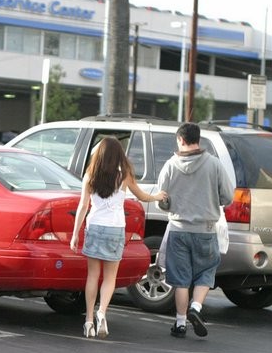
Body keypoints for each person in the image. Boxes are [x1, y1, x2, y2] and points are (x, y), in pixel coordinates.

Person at [71, 136, 166, 339]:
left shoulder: (90, 175)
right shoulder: (124, 176)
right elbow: (141, 196)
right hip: (115, 229)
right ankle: (102, 312)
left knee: (93, 276)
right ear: (119, 155)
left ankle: (88, 320)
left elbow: (82, 206)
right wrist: (157, 196)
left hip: (94, 226)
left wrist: (74, 234)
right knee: (110, 277)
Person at [156, 122, 235, 338]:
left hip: (178, 230)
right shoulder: (214, 165)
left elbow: (161, 202)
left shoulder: (170, 166)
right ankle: (196, 308)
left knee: (180, 280)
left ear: (181, 140)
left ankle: (180, 324)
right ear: (198, 139)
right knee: (205, 274)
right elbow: (228, 197)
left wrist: (170, 203)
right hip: (206, 231)